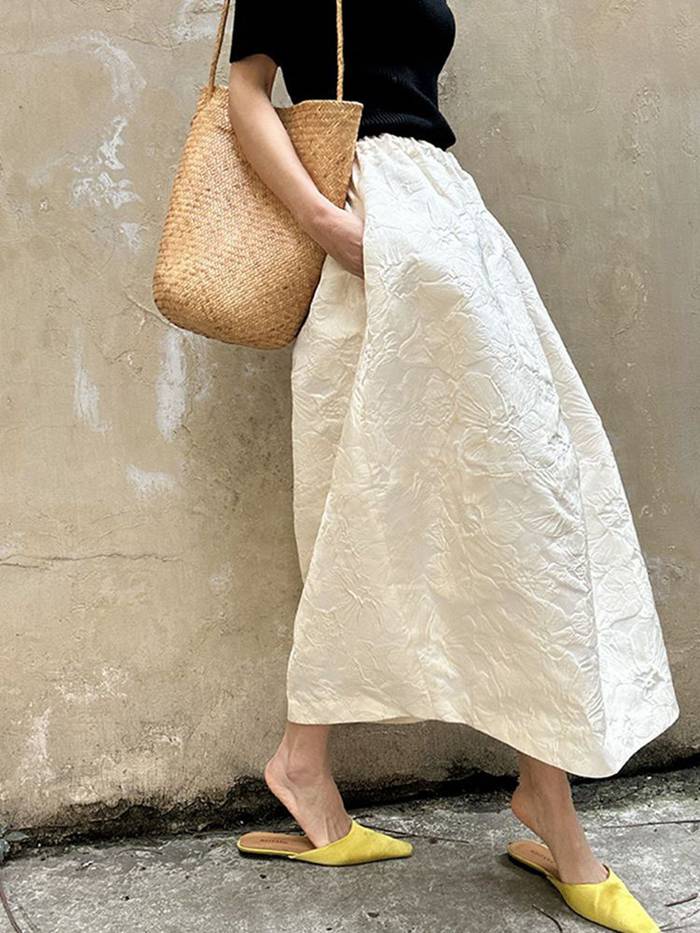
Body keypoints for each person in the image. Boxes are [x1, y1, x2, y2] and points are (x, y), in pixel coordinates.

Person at [226, 2, 679, 930]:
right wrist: (327, 223)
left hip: (449, 217)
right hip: (372, 219)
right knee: (385, 494)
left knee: (504, 494)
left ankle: (347, 767)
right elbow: (245, 91)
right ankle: (537, 807)